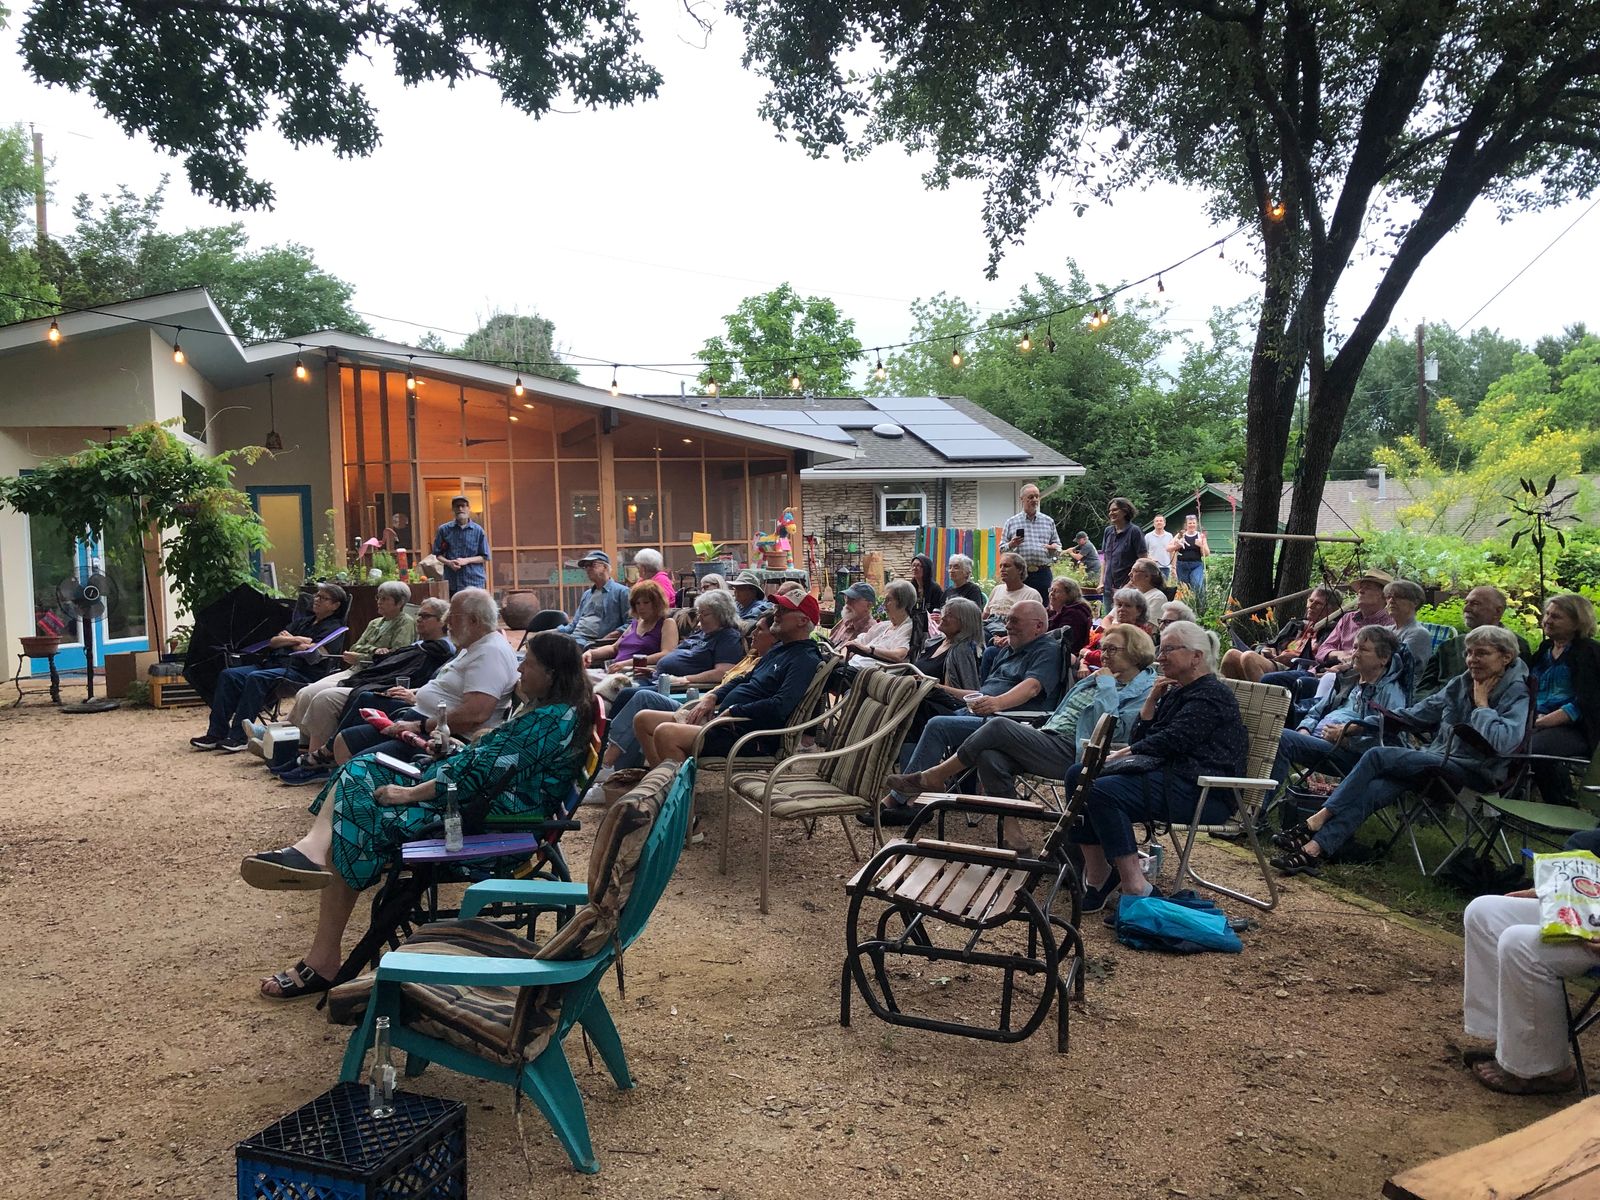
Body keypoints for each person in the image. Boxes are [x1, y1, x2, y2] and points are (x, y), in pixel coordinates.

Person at [241, 631, 595, 1000]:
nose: (520, 670)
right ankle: (310, 852)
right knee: (361, 769)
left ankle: (322, 957)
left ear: (552, 674)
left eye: (529, 664)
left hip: (485, 825)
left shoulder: (549, 720)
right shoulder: (552, 711)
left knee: (355, 815)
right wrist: (454, 748)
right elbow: (491, 763)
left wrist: (408, 793)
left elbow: (477, 777)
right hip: (473, 806)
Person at [1269, 624, 1530, 875]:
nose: (1472, 660)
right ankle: (1314, 849)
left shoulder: (1517, 691)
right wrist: (1361, 726)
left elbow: (1502, 742)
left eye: (1481, 653)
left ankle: (1317, 819)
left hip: (1474, 771)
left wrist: (1482, 705)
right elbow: (1415, 714)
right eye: (1469, 653)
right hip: (1436, 759)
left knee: (1377, 755)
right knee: (1374, 790)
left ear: (1506, 657)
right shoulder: (1462, 683)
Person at [887, 624, 1157, 847]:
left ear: (1135, 653)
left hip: (1078, 752)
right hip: (1048, 737)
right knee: (990, 755)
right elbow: (1060, 714)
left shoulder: (1142, 690)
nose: (1104, 655)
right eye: (1103, 648)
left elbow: (1114, 728)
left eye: (1112, 649)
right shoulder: (1096, 678)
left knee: (998, 727)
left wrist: (1107, 683)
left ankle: (936, 776)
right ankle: (1013, 834)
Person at [1070, 620, 1249, 913]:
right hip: (1169, 780)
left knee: (1101, 790)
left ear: (1196, 656)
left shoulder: (1212, 695)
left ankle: (1136, 886)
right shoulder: (1176, 690)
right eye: (1160, 649)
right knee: (1077, 775)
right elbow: (1144, 737)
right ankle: (1100, 876)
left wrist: (1123, 754)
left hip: (1204, 792)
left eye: (1168, 650)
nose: (1160, 657)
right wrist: (1151, 702)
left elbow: (1173, 740)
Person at [870, 600, 1062, 826]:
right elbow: (980, 693)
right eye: (1008, 620)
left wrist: (997, 703)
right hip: (978, 712)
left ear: (1038, 626)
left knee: (937, 725)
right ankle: (909, 796)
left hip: (1011, 723)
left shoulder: (1047, 650)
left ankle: (902, 798)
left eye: (1015, 621)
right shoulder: (1008, 652)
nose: (1007, 626)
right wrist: (938, 687)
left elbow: (1032, 688)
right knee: (916, 711)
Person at [309, 587, 519, 778]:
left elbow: (475, 714)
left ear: (474, 620)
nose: (446, 622)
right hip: (418, 722)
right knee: (344, 740)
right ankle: (338, 777)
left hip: (441, 740)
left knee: (354, 768)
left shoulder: (490, 654)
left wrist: (417, 725)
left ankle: (354, 788)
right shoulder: (474, 646)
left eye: (452, 616)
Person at [1458, 825, 1600, 1096]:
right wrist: (1557, 887)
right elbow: (1590, 842)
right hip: (1593, 908)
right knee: (1484, 913)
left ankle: (1544, 1071)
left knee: (1519, 944)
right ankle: (1510, 1044)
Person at [644, 591, 827, 765]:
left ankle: (678, 786)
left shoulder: (805, 659)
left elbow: (781, 705)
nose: (776, 613)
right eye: (777, 608)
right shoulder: (779, 650)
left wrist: (735, 711)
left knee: (666, 733)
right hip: (725, 724)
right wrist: (713, 696)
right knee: (643, 719)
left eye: (784, 610)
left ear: (803, 621)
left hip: (749, 737)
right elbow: (743, 679)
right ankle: (661, 779)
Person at [275, 598, 453, 775]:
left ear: (442, 621)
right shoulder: (387, 628)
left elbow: (413, 672)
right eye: (418, 615)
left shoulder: (439, 649)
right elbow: (360, 647)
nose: (419, 619)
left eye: (425, 616)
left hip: (385, 685)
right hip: (367, 672)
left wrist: (409, 691)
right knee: (308, 692)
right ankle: (301, 751)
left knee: (325, 698)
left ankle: (317, 763)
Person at [598, 616, 776, 784]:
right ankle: (649, 779)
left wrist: (687, 682)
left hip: (715, 714)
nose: (698, 618)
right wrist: (656, 673)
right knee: (641, 716)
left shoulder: (732, 642)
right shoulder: (753, 659)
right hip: (703, 703)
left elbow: (723, 676)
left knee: (644, 702)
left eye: (705, 613)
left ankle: (608, 764)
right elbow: (729, 683)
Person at [190, 582, 348, 752]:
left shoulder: (335, 628)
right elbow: (274, 641)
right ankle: (216, 733)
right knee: (229, 674)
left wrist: (290, 640)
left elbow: (315, 652)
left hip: (299, 671)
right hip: (272, 664)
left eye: (323, 598)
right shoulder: (303, 622)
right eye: (317, 596)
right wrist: (298, 639)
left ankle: (238, 737)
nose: (316, 599)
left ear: (335, 605)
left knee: (256, 678)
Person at [1269, 625, 1405, 787]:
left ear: (1384, 658)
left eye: (1363, 650)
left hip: (1348, 755)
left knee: (1282, 738)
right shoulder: (1348, 679)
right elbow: (1316, 711)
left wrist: (1347, 742)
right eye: (1355, 647)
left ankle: (1257, 799)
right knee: (1268, 732)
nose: (1355, 654)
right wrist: (1304, 729)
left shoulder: (1390, 692)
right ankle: (1250, 792)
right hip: (1318, 742)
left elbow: (1389, 741)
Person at [284, 580, 416, 734]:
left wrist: (361, 656)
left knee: (314, 695)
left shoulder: (405, 623)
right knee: (305, 692)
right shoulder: (375, 623)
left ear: (400, 603)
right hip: (355, 669)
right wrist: (374, 650)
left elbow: (395, 656)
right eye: (378, 598)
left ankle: (305, 737)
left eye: (384, 599)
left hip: (372, 674)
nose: (379, 602)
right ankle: (297, 736)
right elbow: (355, 647)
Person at [1261, 571, 1394, 699]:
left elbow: (1382, 661)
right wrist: (1338, 654)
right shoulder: (1348, 618)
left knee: (1303, 684)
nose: (1360, 591)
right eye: (1360, 587)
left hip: (1351, 679)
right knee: (1269, 679)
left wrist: (1345, 667)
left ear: (1384, 595)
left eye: (1368, 588)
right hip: (1320, 671)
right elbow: (1322, 651)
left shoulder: (1390, 624)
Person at [1526, 593, 1600, 806]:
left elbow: (1586, 702)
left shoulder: (1588, 652)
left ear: (1577, 622)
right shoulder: (1545, 650)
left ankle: (1562, 805)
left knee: (1536, 747)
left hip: (1576, 727)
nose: (1547, 620)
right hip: (1535, 718)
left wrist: (1542, 722)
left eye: (1556, 616)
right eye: (1547, 614)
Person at [1417, 585, 1529, 698]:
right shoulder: (1450, 645)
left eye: (1475, 604)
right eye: (1466, 603)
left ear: (1498, 611)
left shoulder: (1515, 645)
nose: (1466, 608)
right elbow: (1424, 687)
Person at [1222, 586, 1342, 682]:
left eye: (1318, 604)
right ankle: (1225, 701)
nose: (1311, 606)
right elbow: (1268, 644)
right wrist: (1265, 649)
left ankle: (1264, 702)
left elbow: (1324, 659)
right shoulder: (1296, 625)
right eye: (1310, 601)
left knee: (1249, 657)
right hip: (1274, 663)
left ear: (1333, 609)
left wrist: (1294, 659)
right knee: (1231, 655)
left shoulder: (1334, 631)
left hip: (1296, 670)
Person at [581, 580, 679, 672]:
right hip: (615, 671)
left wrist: (628, 663)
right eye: (637, 603)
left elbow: (667, 654)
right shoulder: (635, 623)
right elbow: (614, 648)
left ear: (657, 603)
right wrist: (591, 653)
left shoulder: (667, 623)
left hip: (639, 674)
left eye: (646, 602)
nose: (641, 607)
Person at [556, 550, 631, 648]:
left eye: (592, 565)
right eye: (586, 566)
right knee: (544, 641)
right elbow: (573, 625)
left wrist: (608, 638)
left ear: (605, 567)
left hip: (593, 642)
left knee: (562, 648)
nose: (588, 569)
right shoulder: (587, 594)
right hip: (575, 638)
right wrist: (552, 632)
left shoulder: (622, 592)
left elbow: (631, 623)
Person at [1002, 483, 1063, 599]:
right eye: (1030, 497)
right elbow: (1002, 549)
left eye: (1037, 496)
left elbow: (1059, 548)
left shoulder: (1048, 521)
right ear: (1022, 499)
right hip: (1019, 574)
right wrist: (1011, 544)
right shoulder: (1011, 522)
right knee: (1019, 605)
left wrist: (1053, 548)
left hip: (1042, 573)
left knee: (1044, 605)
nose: (1034, 500)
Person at [844, 578, 920, 670]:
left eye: (888, 600)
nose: (884, 604)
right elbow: (859, 641)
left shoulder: (907, 627)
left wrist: (869, 650)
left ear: (902, 603)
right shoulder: (883, 626)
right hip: (852, 665)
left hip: (866, 672)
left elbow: (899, 655)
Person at [1080, 588, 1156, 672]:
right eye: (1119, 605)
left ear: (1139, 611)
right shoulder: (1114, 628)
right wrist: (1083, 665)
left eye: (1127, 606)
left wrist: (1087, 654)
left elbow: (1121, 659)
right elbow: (1086, 649)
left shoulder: (1140, 634)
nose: (1121, 609)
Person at [430, 496, 490, 595]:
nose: (460, 509)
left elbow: (485, 556)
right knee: (454, 605)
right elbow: (438, 554)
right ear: (453, 509)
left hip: (474, 581)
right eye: (457, 506)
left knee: (475, 605)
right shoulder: (444, 530)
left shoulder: (478, 530)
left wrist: (466, 560)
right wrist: (449, 563)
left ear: (469, 508)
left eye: (463, 506)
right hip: (452, 581)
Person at [1384, 578, 1434, 672]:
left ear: (1415, 602)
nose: (1391, 601)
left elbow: (1397, 666)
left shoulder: (1418, 633)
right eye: (1388, 596)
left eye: (1398, 596)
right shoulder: (1386, 630)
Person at [1100, 497, 1147, 593]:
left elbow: (1143, 561)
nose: (1111, 513)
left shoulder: (1134, 531)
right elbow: (1105, 559)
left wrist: (1130, 585)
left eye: (1115, 510)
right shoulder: (1108, 531)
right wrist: (1101, 582)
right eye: (1110, 511)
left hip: (1128, 589)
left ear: (1125, 511)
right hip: (1108, 588)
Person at [983, 552, 1043, 626]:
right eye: (1000, 566)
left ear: (1020, 570)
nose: (1002, 569)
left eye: (1006, 566)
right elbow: (986, 615)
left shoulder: (1031, 595)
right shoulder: (997, 589)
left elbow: (1032, 625)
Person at [1047, 576, 1093, 655]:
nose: (1052, 594)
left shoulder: (1075, 614)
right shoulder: (1053, 611)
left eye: (1056, 591)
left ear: (1069, 595)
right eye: (1051, 590)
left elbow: (1062, 641)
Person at [1173, 514, 1210, 610]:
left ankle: (1200, 608)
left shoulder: (1201, 536)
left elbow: (1207, 553)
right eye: (1190, 523)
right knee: (1184, 588)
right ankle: (1184, 608)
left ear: (1196, 524)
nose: (1192, 525)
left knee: (1197, 585)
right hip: (1182, 565)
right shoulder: (1181, 535)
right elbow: (1169, 548)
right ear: (1186, 525)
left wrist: (1201, 545)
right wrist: (1177, 545)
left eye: (1193, 523)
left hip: (1196, 564)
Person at [829, 582, 880, 650]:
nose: (847, 602)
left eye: (853, 599)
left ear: (869, 605)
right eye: (846, 597)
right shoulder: (846, 621)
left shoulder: (872, 631)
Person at [1128, 558, 1167, 625]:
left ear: (1147, 576)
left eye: (1134, 571)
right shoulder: (1130, 594)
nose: (1129, 574)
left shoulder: (1157, 597)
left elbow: (1148, 625)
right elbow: (1109, 617)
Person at [1145, 514, 1175, 581]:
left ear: (1164, 524)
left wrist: (1173, 567)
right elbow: (1144, 552)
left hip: (1165, 567)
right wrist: (1150, 558)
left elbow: (1172, 552)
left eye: (1161, 521)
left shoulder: (1169, 536)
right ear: (1153, 524)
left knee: (1163, 586)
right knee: (1153, 585)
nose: (1159, 522)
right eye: (1157, 521)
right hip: (1152, 567)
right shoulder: (1148, 536)